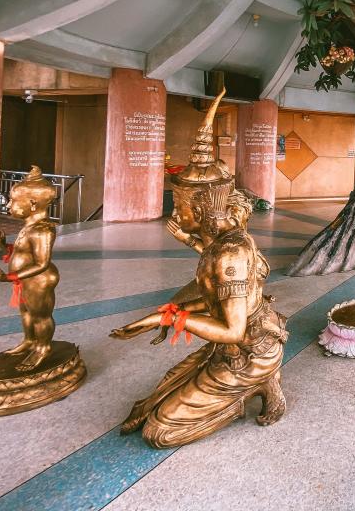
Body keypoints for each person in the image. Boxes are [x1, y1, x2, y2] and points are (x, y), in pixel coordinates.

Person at [110, 90, 287, 448]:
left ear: (205, 205)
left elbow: (234, 331)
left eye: (181, 203)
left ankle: (249, 390)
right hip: (235, 347)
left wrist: (167, 320)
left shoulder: (230, 255)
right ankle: (240, 386)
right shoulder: (223, 242)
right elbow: (213, 288)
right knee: (160, 393)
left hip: (250, 351)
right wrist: (176, 302)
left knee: (159, 432)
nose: (176, 212)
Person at [0, 166, 59, 371]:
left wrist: (9, 277)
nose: (9, 205)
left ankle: (43, 347)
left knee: (40, 315)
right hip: (25, 279)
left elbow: (41, 263)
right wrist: (6, 246)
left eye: (13, 201)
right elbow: (24, 252)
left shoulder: (43, 230)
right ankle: (30, 340)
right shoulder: (29, 226)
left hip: (39, 279)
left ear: (32, 204)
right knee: (26, 312)